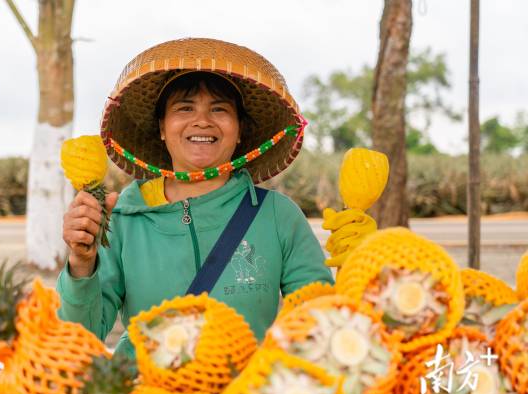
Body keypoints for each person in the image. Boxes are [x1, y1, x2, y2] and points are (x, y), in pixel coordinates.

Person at [57, 38, 369, 358]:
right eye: (185, 108)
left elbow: (319, 327)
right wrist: (81, 264)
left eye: (218, 109)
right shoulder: (121, 218)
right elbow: (82, 335)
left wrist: (359, 269)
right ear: (162, 127)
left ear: (239, 130)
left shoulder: (278, 216)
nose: (202, 120)